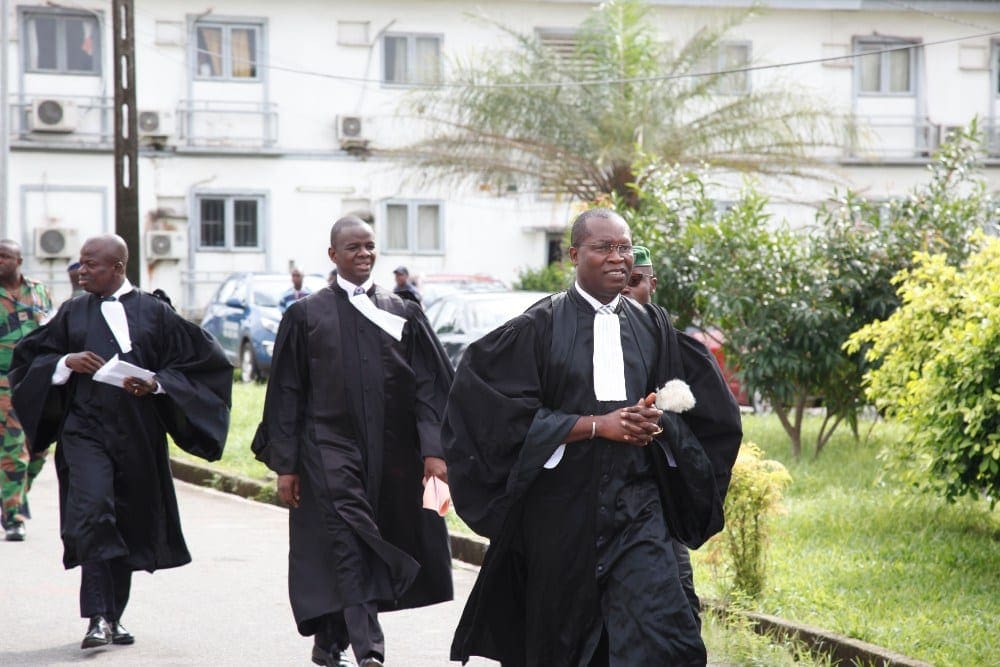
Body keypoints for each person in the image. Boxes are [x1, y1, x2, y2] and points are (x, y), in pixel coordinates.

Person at [444, 209, 743, 666]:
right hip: (562, 513)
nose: (617, 258)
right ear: (573, 255)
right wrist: (597, 425)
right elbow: (494, 413)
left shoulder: (653, 327)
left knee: (663, 636)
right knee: (563, 643)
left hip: (637, 507)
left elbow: (697, 411)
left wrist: (656, 423)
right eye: (603, 247)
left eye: (624, 248)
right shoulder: (539, 326)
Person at [9, 234, 232, 650]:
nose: (81, 271)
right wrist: (66, 362)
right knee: (93, 512)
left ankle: (114, 615)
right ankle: (96, 616)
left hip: (137, 434)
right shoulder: (72, 312)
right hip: (84, 431)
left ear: (117, 267)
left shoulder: (156, 313)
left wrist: (157, 384)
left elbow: (204, 363)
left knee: (126, 521)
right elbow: (28, 359)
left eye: (91, 264)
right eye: (80, 263)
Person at [252, 216, 454, 667]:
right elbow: (286, 393)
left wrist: (434, 451)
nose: (363, 254)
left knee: (365, 540)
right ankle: (369, 651)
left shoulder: (402, 311)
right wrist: (286, 465)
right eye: (353, 248)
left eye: (369, 246)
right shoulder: (306, 315)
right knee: (349, 540)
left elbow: (430, 386)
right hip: (326, 448)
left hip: (393, 454)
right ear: (333, 255)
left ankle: (329, 641)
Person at [621, 244, 701, 629]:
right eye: (620, 280)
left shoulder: (674, 346)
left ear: (652, 284)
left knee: (677, 598)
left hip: (660, 493)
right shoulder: (581, 342)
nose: (626, 289)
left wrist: (663, 421)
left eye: (636, 280)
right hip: (604, 494)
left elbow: (710, 426)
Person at [0, 239, 53, 541]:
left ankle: (13, 498)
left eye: (5, 256)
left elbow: (53, 328)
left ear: (19, 261)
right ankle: (14, 517)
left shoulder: (39, 291)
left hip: (36, 382)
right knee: (14, 449)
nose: (0, 261)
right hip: (4, 384)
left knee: (39, 449)